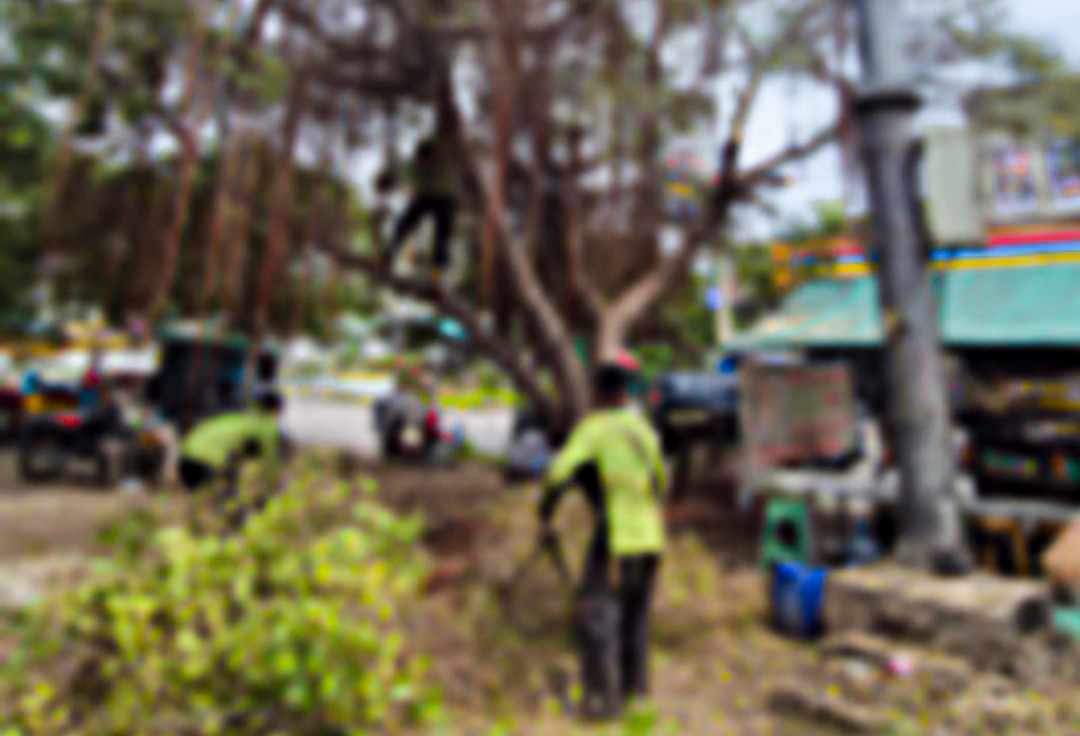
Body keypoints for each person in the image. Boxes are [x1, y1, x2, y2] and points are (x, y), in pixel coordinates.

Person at [538, 361, 667, 720]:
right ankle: (636, 696)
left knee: (597, 617)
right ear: (626, 392)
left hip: (615, 539)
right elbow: (661, 481)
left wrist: (546, 512)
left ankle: (600, 704)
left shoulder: (593, 429)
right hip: (651, 539)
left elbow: (558, 473)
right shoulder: (643, 429)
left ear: (596, 393)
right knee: (635, 617)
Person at [177, 389, 285, 495]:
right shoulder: (265, 426)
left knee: (196, 494)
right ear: (274, 410)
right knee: (218, 495)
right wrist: (273, 484)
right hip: (205, 464)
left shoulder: (240, 416)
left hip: (185, 456)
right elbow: (269, 460)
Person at [382, 135, 457, 285]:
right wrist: (389, 180)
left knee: (440, 242)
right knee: (403, 225)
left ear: (429, 159)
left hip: (443, 200)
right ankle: (388, 257)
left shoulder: (441, 166)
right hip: (425, 197)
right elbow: (401, 174)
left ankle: (435, 277)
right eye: (418, 162)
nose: (419, 165)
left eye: (422, 162)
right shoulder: (414, 164)